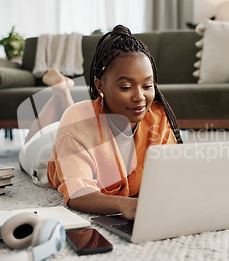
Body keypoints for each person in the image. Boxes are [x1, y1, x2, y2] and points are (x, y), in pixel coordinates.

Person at [19, 25, 183, 220]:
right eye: (126, 87)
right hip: (47, 154)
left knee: (76, 119)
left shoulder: (158, 117)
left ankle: (62, 91)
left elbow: (173, 173)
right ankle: (61, 91)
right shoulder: (76, 123)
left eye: (147, 85)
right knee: (30, 143)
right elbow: (77, 193)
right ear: (99, 85)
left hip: (79, 128)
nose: (140, 97)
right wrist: (124, 204)